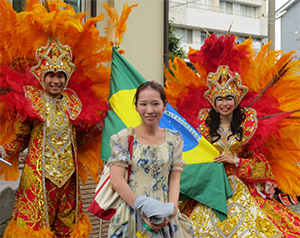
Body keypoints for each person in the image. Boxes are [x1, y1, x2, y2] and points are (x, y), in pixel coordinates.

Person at [164, 34, 300, 237]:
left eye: (229, 98)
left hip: (242, 192)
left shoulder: (248, 127)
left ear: (236, 101)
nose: (224, 103)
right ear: (213, 102)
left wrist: (235, 160)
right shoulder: (202, 129)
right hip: (209, 191)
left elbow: (262, 167)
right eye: (220, 99)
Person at [0, 38, 105, 238]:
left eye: (60, 76)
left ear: (66, 78)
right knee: (34, 230)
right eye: (50, 75)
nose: (55, 81)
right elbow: (22, 139)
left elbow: (77, 141)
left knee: (66, 230)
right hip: (39, 178)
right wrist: (3, 150)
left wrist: (100, 126)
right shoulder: (31, 102)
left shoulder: (73, 103)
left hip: (68, 180)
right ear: (42, 77)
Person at [107, 81, 194, 238]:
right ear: (136, 106)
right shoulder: (124, 138)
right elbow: (117, 181)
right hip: (133, 212)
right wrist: (144, 211)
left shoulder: (174, 139)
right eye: (143, 104)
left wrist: (171, 212)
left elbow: (174, 178)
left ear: (164, 105)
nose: (149, 110)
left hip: (166, 213)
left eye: (155, 104)